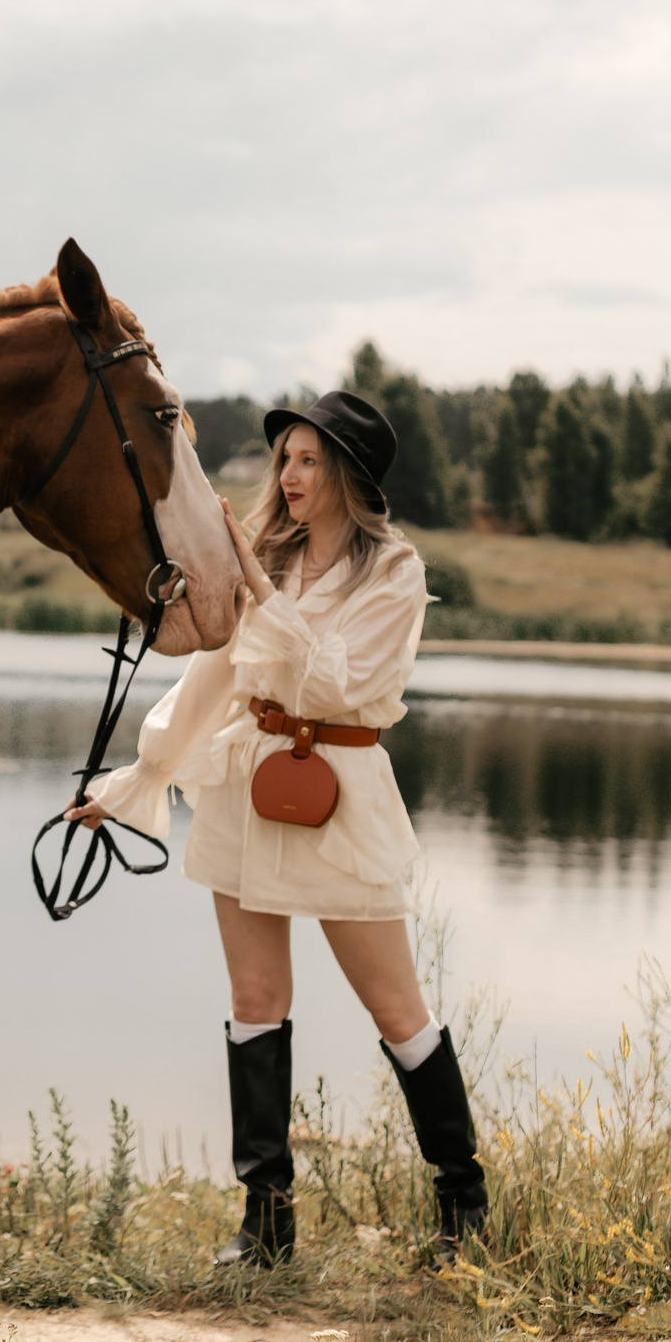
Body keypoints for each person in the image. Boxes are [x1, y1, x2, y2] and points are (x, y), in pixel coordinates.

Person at [65, 389, 485, 1267]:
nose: (287, 476)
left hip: (342, 794)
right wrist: (138, 775)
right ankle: (265, 1223)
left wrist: (264, 594)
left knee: (398, 1008)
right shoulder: (268, 555)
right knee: (255, 1003)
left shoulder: (393, 571)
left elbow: (339, 683)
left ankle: (462, 1207)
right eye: (282, 459)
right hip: (243, 785)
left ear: (345, 475)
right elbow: (214, 681)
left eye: (305, 460)